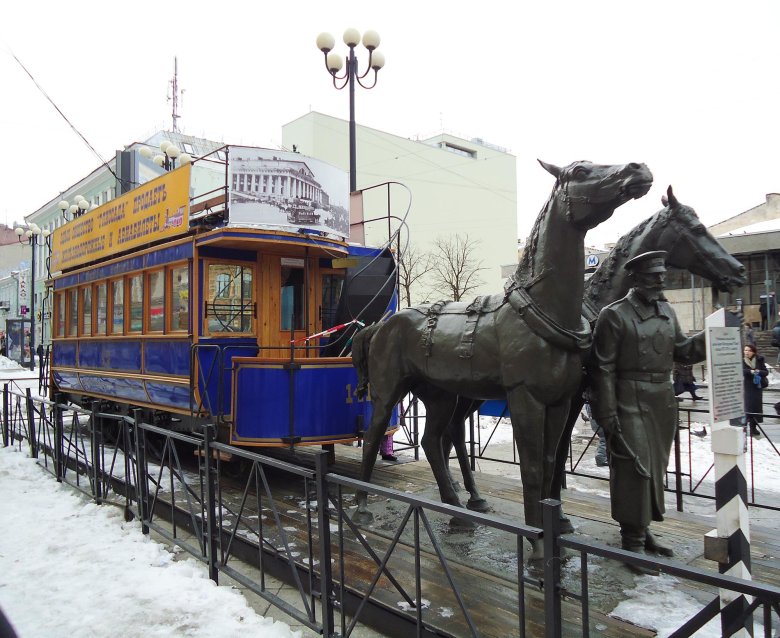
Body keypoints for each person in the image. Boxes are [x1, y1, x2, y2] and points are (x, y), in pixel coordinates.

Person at [589, 250, 706, 574]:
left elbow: (682, 350)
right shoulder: (615, 315)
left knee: (655, 469)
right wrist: (608, 411)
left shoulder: (666, 310)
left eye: (661, 275)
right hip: (629, 398)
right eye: (654, 276)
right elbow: (603, 368)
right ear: (637, 278)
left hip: (661, 399)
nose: (661, 280)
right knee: (634, 468)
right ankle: (632, 544)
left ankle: (643, 530)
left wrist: (712, 336)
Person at [742, 343, 767, 438]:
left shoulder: (759, 360)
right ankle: (744, 426)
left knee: (756, 408)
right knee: (747, 407)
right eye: (745, 350)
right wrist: (750, 371)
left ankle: (753, 427)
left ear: (753, 352)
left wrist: (759, 372)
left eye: (748, 350)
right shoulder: (742, 361)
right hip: (747, 387)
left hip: (757, 387)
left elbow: (766, 372)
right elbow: (741, 370)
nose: (746, 352)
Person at [581, 389, 608, 466]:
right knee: (604, 437)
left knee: (604, 437)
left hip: (595, 419)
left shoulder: (588, 398)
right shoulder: (595, 396)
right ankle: (601, 458)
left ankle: (602, 457)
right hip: (599, 419)